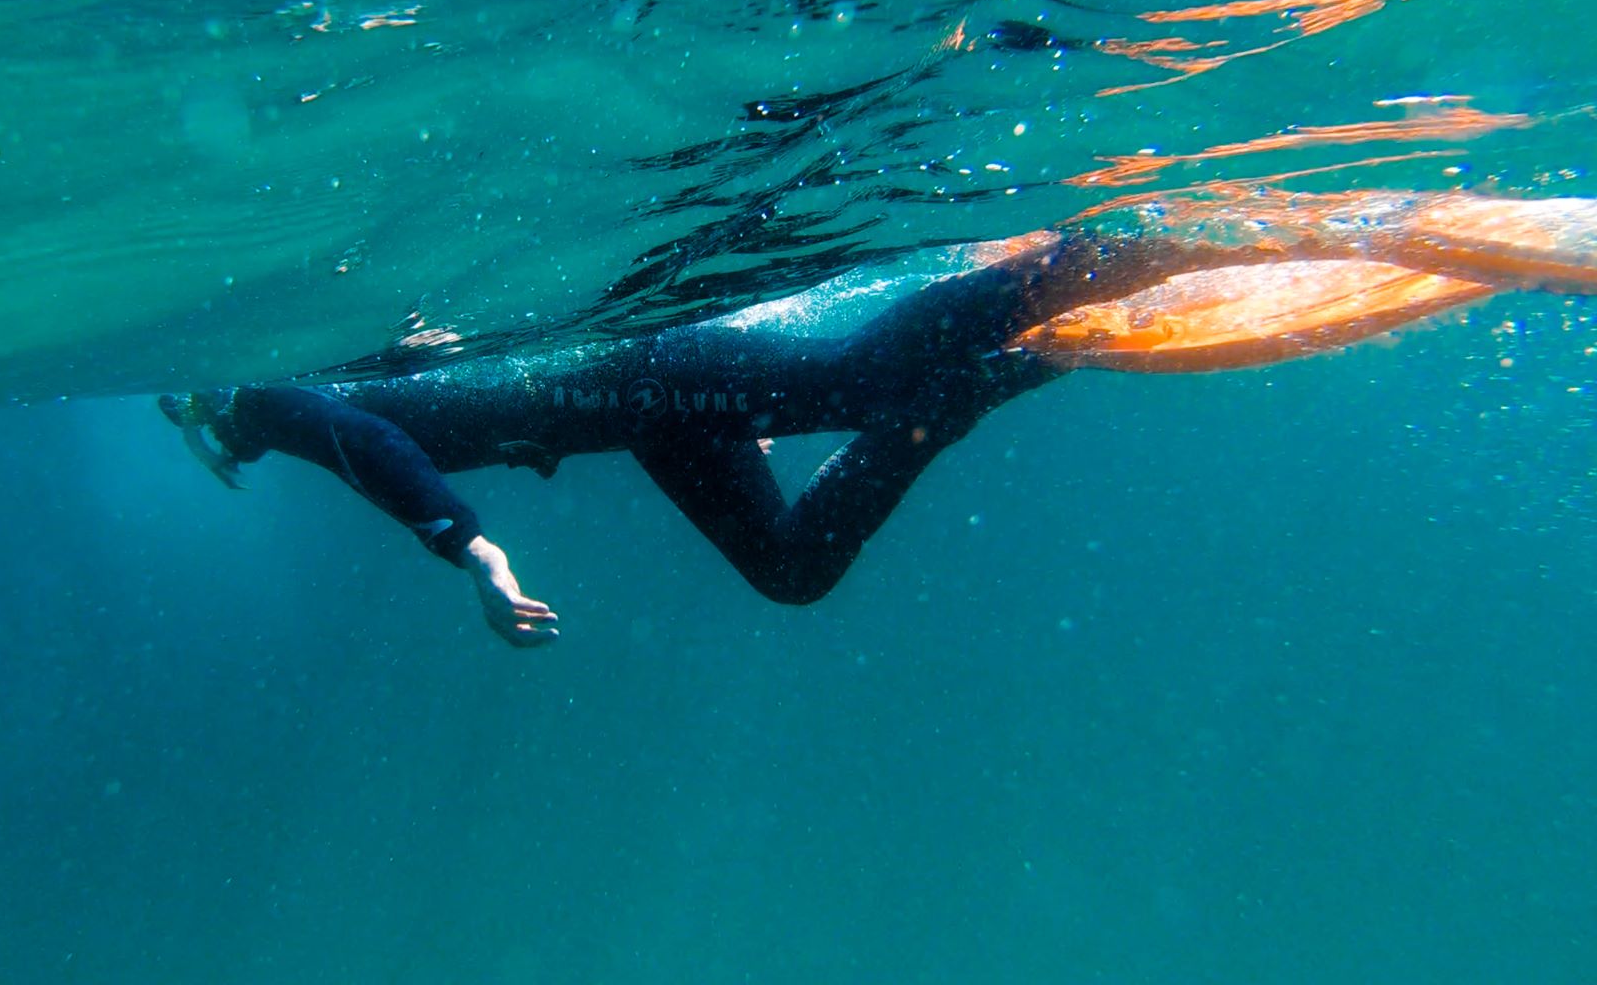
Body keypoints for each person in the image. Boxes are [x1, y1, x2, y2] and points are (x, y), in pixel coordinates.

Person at [162, 189, 1597, 647]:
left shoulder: (280, 382)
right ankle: (990, 373)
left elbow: (393, 456)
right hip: (641, 404)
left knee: (856, 382)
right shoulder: (309, 366)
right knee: (791, 568)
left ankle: (1132, 243)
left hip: (652, 378)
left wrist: (483, 568)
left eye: (187, 410)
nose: (199, 431)